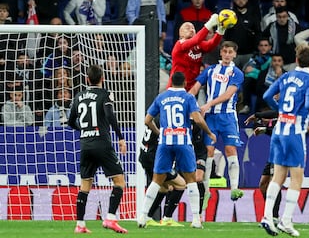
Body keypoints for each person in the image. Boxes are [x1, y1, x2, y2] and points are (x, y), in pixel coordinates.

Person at [260, 43, 309, 237]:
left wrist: (280, 109)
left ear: (296, 60)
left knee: (278, 175)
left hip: (279, 129)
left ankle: (267, 216)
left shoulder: (286, 76)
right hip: (295, 131)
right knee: (297, 177)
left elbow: (267, 95)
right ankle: (286, 220)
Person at [137, 71, 216, 229]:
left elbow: (147, 120)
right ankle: (195, 219)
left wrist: (159, 132)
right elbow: (198, 119)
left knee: (156, 181)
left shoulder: (162, 97)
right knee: (191, 180)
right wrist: (209, 133)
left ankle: (143, 217)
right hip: (183, 142)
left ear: (171, 81)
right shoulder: (188, 97)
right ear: (185, 82)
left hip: (165, 142)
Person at [68, 65, 128, 234]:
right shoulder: (105, 94)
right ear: (102, 78)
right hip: (102, 144)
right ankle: (110, 218)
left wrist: (84, 131)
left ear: (87, 79)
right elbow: (109, 115)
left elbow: (70, 121)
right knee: (119, 182)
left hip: (85, 145)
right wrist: (120, 137)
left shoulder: (78, 96)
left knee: (85, 185)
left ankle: (80, 225)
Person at [189, 40, 245, 201]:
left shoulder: (237, 73)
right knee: (209, 151)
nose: (227, 55)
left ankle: (234, 188)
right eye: (225, 51)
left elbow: (228, 95)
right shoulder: (210, 70)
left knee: (230, 150)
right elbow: (195, 88)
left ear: (235, 54)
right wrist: (186, 101)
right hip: (210, 118)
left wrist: (208, 104)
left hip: (227, 116)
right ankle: (206, 191)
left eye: (230, 52)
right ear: (221, 52)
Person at [138, 117, 186, 227]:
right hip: (154, 159)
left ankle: (148, 217)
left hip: (144, 156)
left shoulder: (157, 118)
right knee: (181, 184)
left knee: (163, 187)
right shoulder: (168, 121)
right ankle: (167, 218)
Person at [166, 13, 224, 92]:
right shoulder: (179, 44)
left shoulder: (199, 45)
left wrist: (221, 30)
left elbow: (211, 44)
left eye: (193, 28)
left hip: (192, 88)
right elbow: (196, 40)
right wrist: (210, 24)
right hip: (176, 87)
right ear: (180, 35)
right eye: (187, 28)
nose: (191, 29)